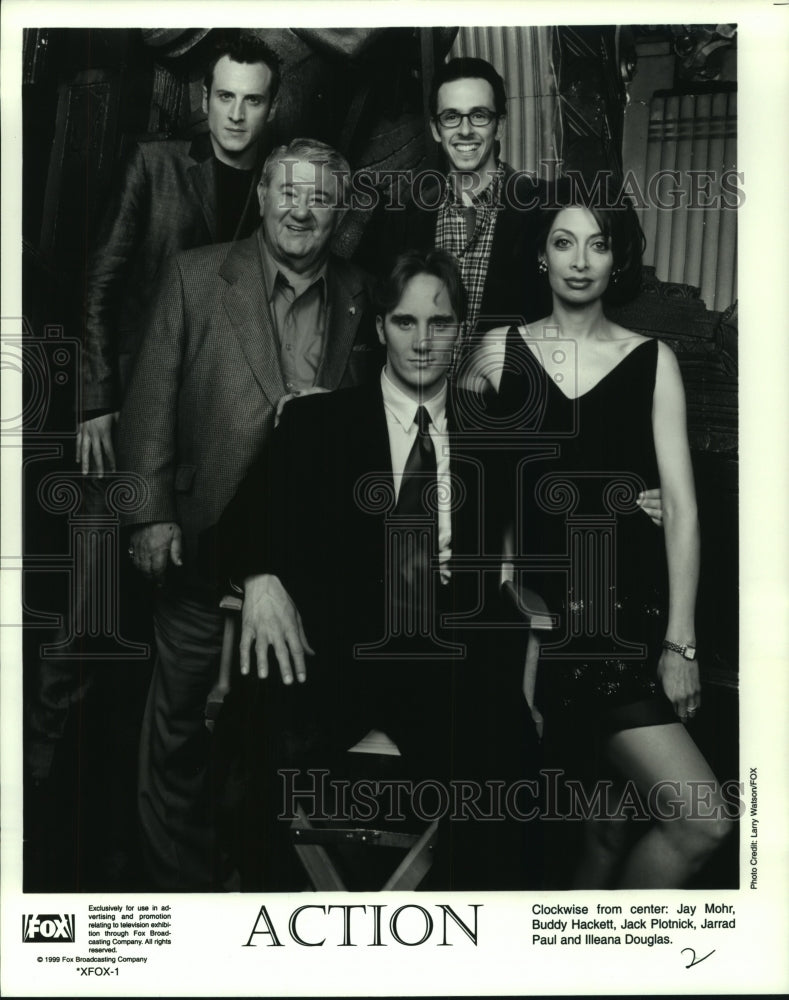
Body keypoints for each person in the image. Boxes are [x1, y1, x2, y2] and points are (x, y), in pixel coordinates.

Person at [214, 249, 541, 891]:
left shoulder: (492, 433)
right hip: (332, 649)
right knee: (248, 763)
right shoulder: (317, 423)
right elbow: (236, 524)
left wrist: (643, 499)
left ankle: (457, 956)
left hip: (447, 657)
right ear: (379, 328)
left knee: (510, 786)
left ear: (460, 331)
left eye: (440, 323)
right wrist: (259, 579)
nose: (422, 341)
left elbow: (558, 508)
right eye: (405, 321)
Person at [116, 137, 377, 890]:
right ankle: (180, 896)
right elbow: (148, 401)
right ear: (261, 196)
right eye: (287, 191)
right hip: (199, 542)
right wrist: (147, 516)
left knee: (267, 740)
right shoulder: (195, 275)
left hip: (299, 565)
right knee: (180, 730)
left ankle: (251, 884)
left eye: (320, 196)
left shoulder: (364, 295)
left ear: (341, 211)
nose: (301, 208)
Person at [463, 186, 734, 888]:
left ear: (617, 260)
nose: (579, 261)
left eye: (597, 243)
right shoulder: (501, 353)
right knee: (702, 820)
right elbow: (448, 469)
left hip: (638, 614)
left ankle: (582, 963)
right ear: (540, 256)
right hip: (562, 624)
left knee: (611, 827)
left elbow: (681, 506)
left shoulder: (654, 360)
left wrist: (679, 643)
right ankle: (607, 963)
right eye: (563, 242)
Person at [78, 33, 281, 473]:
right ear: (204, 97)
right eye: (225, 96)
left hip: (227, 402)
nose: (236, 115)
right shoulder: (153, 164)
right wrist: (96, 401)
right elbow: (98, 287)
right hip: (135, 389)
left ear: (273, 109)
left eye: (253, 100)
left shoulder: (281, 186)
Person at [355, 56, 549, 347]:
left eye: (479, 115)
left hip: (513, 390)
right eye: (451, 117)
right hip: (424, 391)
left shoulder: (541, 207)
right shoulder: (403, 218)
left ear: (500, 126)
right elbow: (383, 323)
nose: (465, 130)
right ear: (436, 129)